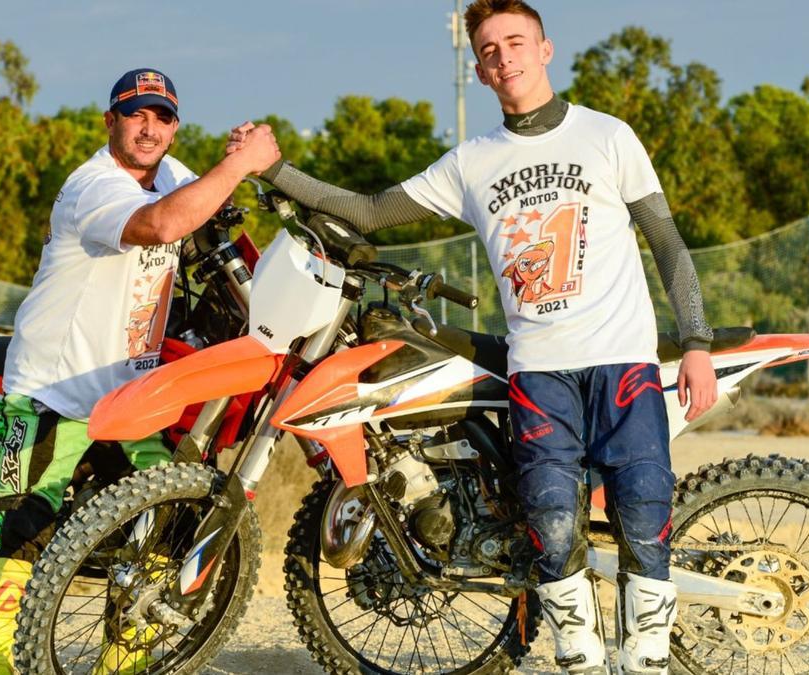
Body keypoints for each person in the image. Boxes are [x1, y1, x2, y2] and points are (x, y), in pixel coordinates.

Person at [229, 2, 716, 672]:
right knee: (549, 526)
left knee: (644, 517)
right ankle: (580, 657)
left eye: (515, 42)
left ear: (545, 50)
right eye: (488, 50)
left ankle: (647, 660)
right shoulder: (471, 162)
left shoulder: (608, 136)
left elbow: (669, 245)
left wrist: (696, 341)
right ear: (479, 71)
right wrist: (274, 167)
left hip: (621, 360)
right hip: (539, 372)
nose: (504, 57)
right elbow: (370, 212)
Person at [0, 67, 280, 674]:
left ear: (174, 127)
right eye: (136, 114)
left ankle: (122, 664)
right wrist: (238, 166)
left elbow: (208, 204)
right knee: (16, 525)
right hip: (53, 390)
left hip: (131, 399)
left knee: (164, 519)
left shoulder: (171, 175)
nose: (150, 127)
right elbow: (160, 225)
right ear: (110, 120)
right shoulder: (93, 185)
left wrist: (241, 154)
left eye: (163, 117)